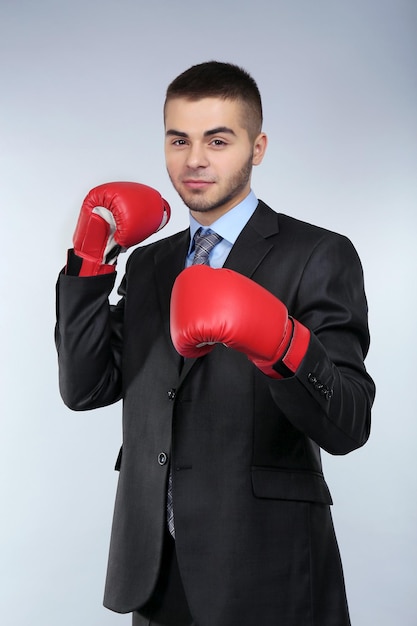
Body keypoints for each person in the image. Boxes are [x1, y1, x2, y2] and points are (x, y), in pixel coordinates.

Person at [55, 61, 375, 626]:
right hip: (155, 567)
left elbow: (349, 424)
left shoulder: (318, 254)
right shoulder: (151, 261)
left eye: (217, 140)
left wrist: (284, 347)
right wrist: (87, 267)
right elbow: (87, 388)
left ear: (257, 147)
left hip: (265, 565)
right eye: (179, 139)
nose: (194, 159)